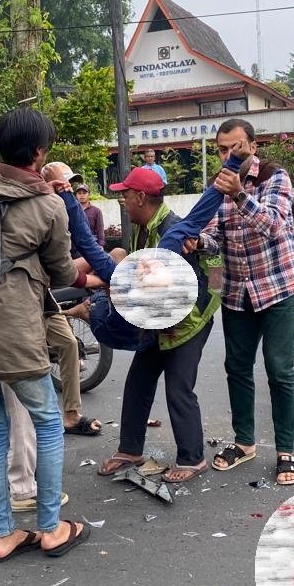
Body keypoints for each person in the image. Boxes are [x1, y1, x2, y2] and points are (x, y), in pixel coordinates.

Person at [0, 109, 99, 561]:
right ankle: (51, 529)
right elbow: (60, 271)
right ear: (38, 152)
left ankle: (3, 535)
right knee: (49, 422)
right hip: (13, 328)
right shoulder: (48, 205)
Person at [198, 118, 294, 486]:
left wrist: (238, 194)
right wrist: (198, 242)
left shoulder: (275, 178)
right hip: (237, 292)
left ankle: (285, 450)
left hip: (279, 288)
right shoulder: (215, 186)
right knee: (237, 368)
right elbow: (214, 237)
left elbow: (274, 225)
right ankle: (244, 443)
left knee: (280, 370)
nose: (228, 155)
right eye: (222, 149)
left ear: (252, 147)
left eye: (236, 148)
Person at [95, 166, 220, 484]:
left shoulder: (172, 230)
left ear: (139, 196)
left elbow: (190, 289)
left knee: (179, 386)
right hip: (159, 320)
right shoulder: (144, 227)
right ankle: (130, 450)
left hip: (188, 321)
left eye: (125, 195)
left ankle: (193, 458)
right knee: (138, 381)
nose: (122, 200)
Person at [75, 183, 105, 248]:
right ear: (76, 195)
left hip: (92, 243)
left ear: (89, 194)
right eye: (79, 193)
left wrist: (101, 245)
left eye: (84, 193)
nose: (82, 195)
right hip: (75, 244)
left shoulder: (96, 211)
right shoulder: (72, 210)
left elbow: (100, 229)